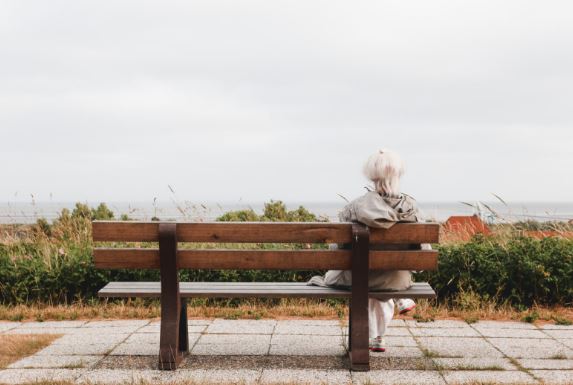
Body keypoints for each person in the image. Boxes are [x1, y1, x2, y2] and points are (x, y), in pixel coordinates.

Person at [308, 149, 429, 352]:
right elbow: (422, 254)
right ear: (398, 175)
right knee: (379, 287)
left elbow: (338, 251)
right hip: (396, 281)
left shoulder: (356, 207)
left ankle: (375, 336)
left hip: (359, 279)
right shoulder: (411, 210)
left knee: (353, 279)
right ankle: (381, 331)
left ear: (372, 177)